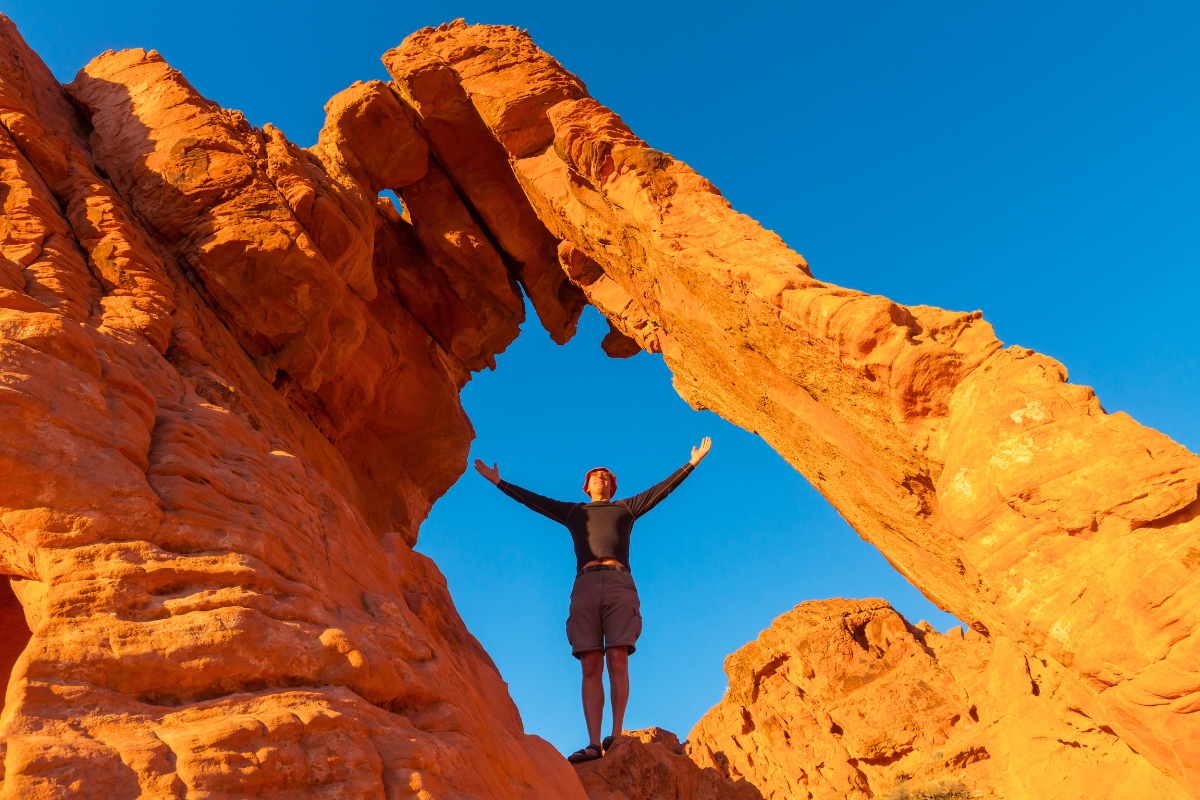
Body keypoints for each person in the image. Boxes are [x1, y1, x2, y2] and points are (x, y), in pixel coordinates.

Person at [474, 437, 712, 763]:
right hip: (584, 585)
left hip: (618, 582)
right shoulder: (574, 512)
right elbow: (535, 501)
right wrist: (499, 482)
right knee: (589, 664)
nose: (601, 477)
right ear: (586, 486)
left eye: (606, 476)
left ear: (612, 487)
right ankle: (592, 743)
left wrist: (692, 463)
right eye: (595, 475)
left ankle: (615, 734)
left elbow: (661, 491)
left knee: (617, 656)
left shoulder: (626, 507)